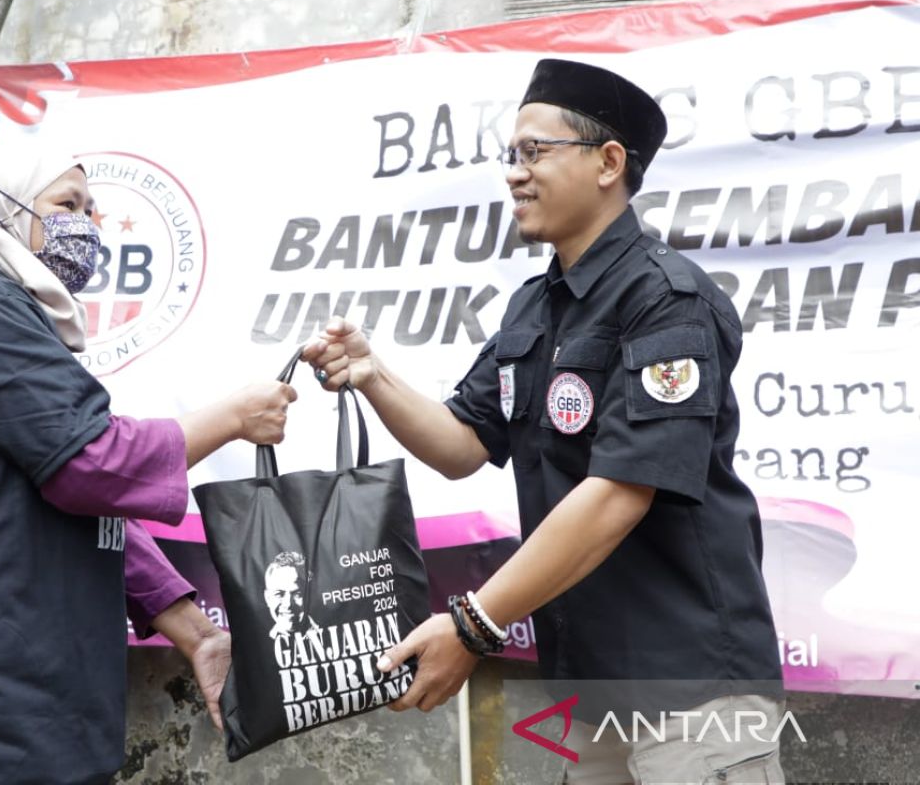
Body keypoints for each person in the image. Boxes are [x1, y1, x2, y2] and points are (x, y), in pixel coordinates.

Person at [303, 58, 785, 782]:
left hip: (692, 688)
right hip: (588, 690)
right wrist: (373, 376)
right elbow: (463, 444)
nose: (514, 173)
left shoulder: (667, 300)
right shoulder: (535, 306)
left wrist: (472, 625)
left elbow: (621, 491)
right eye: (511, 155)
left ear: (608, 162)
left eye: (535, 152)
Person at [0, 136, 297, 784]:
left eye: (92, 209)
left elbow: (88, 504)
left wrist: (200, 634)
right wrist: (233, 417)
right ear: (0, 210)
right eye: (68, 203)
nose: (88, 225)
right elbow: (91, 464)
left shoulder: (17, 321)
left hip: (29, 700)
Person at [263, 551, 320, 639]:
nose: (288, 604)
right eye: (279, 594)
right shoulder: (259, 643)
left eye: (297, 594)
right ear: (267, 598)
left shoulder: (327, 636)